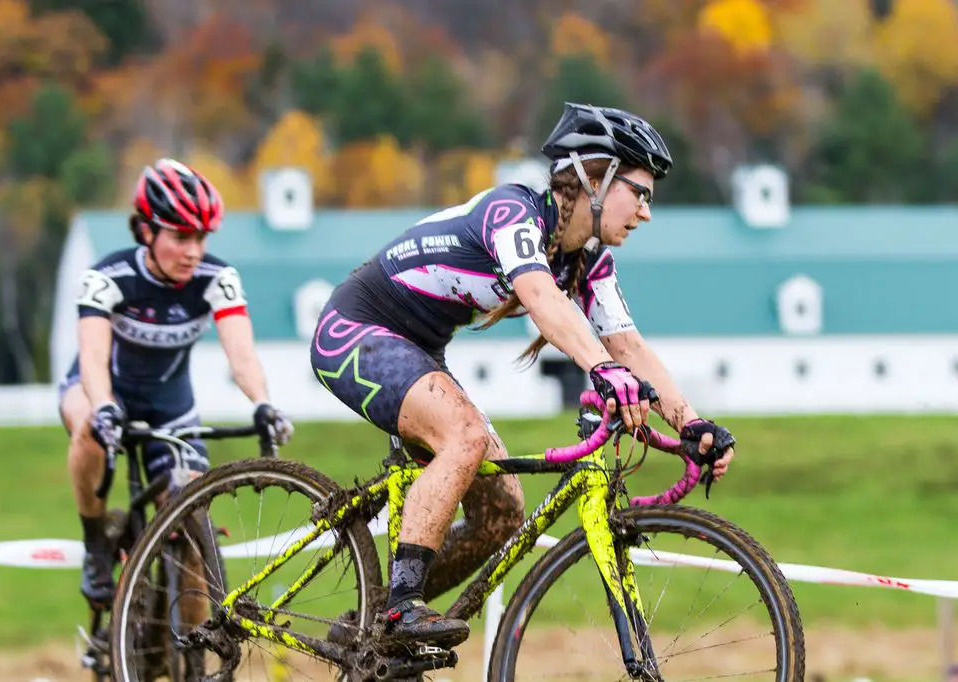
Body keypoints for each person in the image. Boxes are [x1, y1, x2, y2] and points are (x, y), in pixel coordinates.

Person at [309, 103, 736, 647]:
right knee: (462, 436)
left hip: (419, 351)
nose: (646, 212)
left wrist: (691, 423)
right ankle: (400, 610)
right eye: (641, 193)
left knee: (503, 514)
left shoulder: (588, 260)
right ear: (594, 178)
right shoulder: (512, 213)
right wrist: (601, 369)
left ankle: (372, 623)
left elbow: (627, 344)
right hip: (356, 330)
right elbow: (538, 296)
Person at [59, 158, 294, 609]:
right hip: (101, 388)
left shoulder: (216, 279)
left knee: (192, 517)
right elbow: (91, 356)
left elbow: (240, 354)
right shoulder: (108, 278)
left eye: (202, 238)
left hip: (170, 405)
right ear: (146, 231)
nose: (193, 251)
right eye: (181, 237)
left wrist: (264, 403)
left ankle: (194, 653)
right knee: (90, 424)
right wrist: (105, 405)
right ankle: (95, 543)